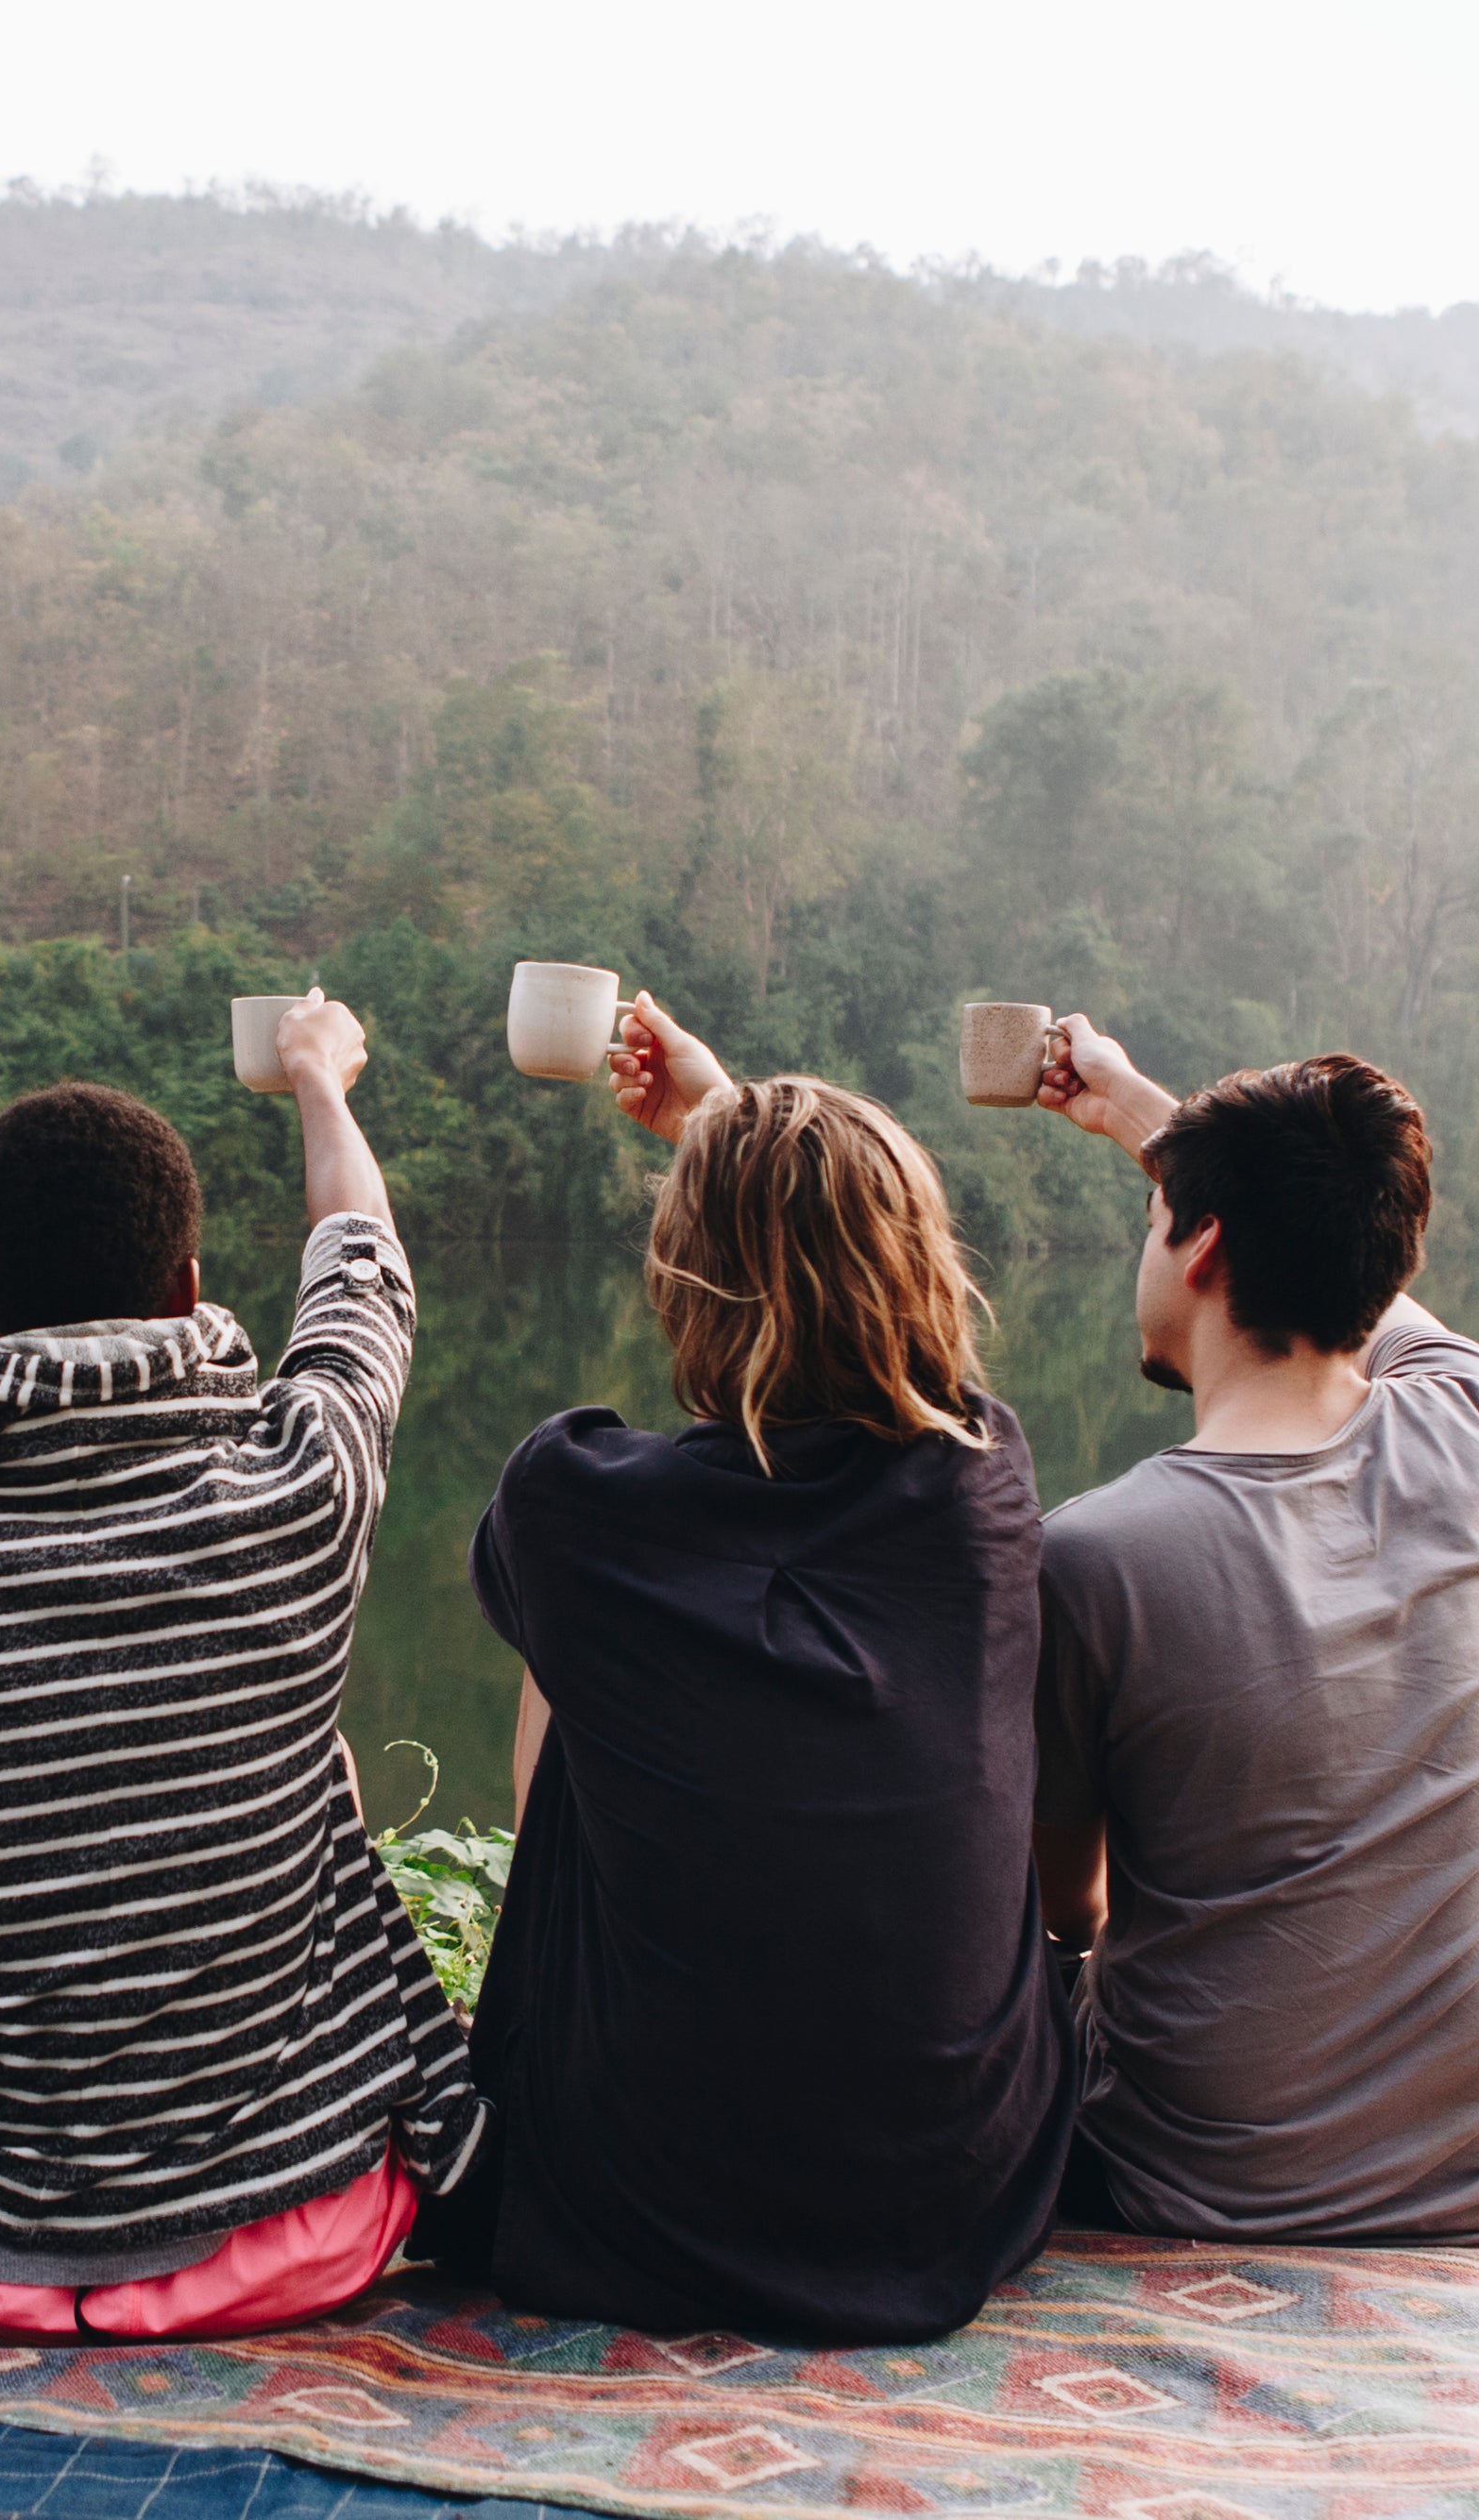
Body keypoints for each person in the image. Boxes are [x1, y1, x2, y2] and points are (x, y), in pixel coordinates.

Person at [0, 990, 484, 2342]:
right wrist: (319, 1082)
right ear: (183, 1291)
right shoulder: (299, 1480)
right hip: (298, 2224)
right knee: (306, 1754)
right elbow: (360, 1261)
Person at [406, 995, 1079, 2343]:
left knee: (573, 1637)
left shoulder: (573, 1503)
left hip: (629, 2202)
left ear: (678, 1272)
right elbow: (839, 1274)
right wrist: (724, 1112)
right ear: (924, 1267)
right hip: (953, 2203)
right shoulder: (984, 1489)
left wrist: (719, 1127)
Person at [1027, 1015, 1479, 2242]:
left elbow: (1065, 1907)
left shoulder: (1093, 1558)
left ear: (1203, 1249)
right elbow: (1357, 1273)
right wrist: (1139, 1118)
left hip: (1200, 2184)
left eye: (1157, 1217)